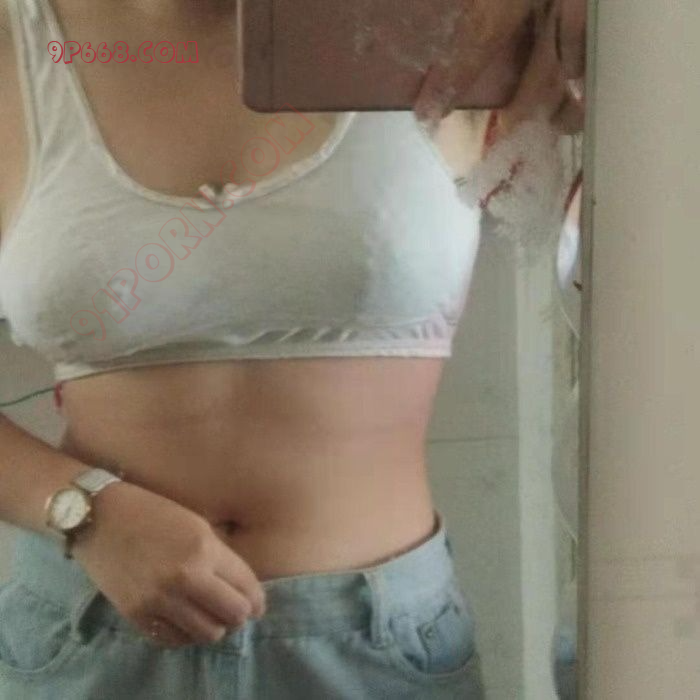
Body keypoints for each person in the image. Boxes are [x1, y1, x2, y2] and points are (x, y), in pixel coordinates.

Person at [0, 0, 584, 698]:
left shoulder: (461, 20)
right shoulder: (17, 40)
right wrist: (82, 512)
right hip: (89, 637)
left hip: (374, 655)